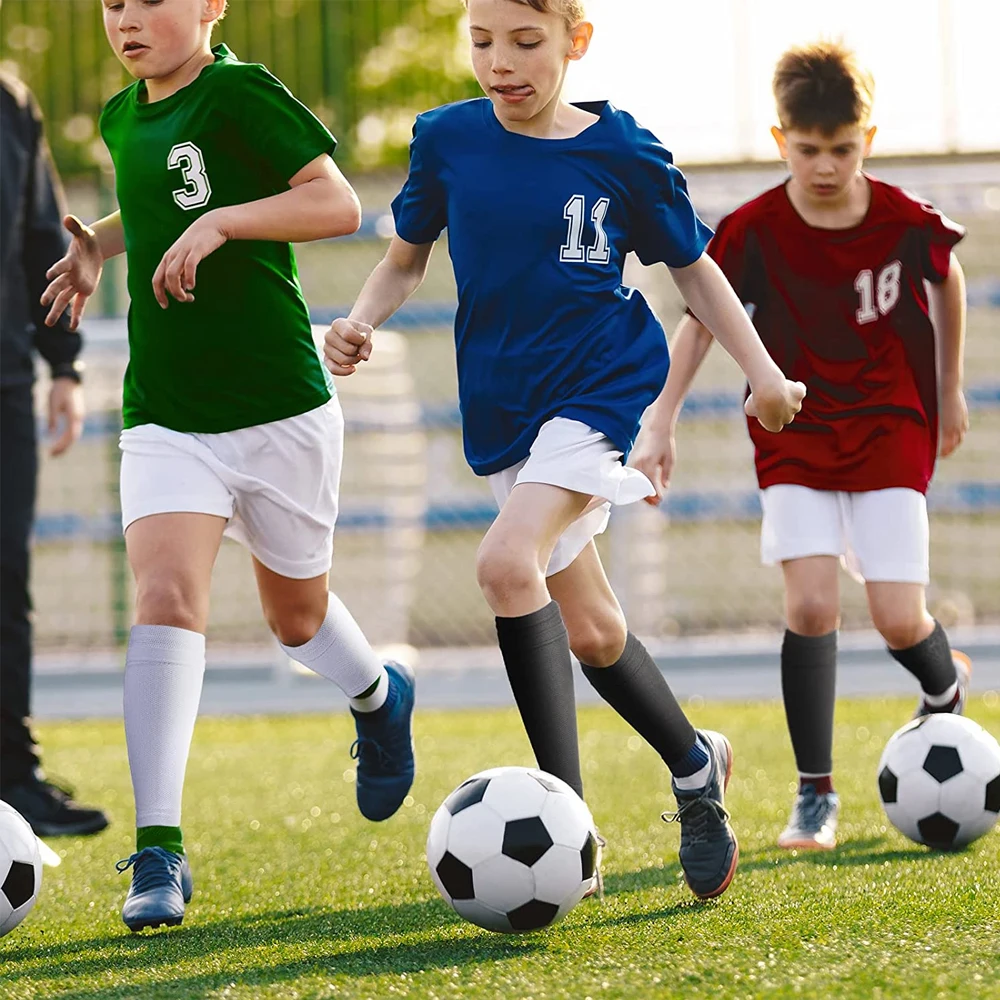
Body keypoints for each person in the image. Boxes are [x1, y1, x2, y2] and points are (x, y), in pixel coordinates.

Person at [325, 0, 804, 901]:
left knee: (508, 565)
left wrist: (766, 372)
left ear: (576, 44)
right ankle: (697, 766)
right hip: (507, 407)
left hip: (601, 390)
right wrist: (358, 320)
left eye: (524, 42)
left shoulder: (623, 151)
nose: (499, 63)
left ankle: (562, 819)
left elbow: (693, 269)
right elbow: (404, 258)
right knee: (592, 629)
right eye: (481, 42)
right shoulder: (446, 139)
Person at [40, 0, 415, 932]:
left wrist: (224, 225)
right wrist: (102, 248)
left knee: (297, 621)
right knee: (165, 598)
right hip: (166, 415)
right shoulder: (124, 114)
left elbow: (337, 202)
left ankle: (378, 694)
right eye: (111, 3)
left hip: (280, 411)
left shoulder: (242, 92)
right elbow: (167, 197)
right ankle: (160, 849)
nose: (126, 18)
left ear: (212, 5)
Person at [629, 41, 971, 852]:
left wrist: (948, 387)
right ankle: (814, 794)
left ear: (869, 139)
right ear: (781, 139)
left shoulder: (900, 217)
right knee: (812, 604)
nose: (826, 166)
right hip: (794, 430)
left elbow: (945, 277)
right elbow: (701, 318)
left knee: (895, 618)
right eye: (809, 149)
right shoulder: (753, 230)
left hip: (890, 422)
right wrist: (661, 418)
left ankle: (944, 685)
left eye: (843, 149)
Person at [0, 71, 109, 838]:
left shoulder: (10, 100)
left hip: (4, 380)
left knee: (5, 580)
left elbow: (44, 233)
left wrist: (62, 364)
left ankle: (12, 779)